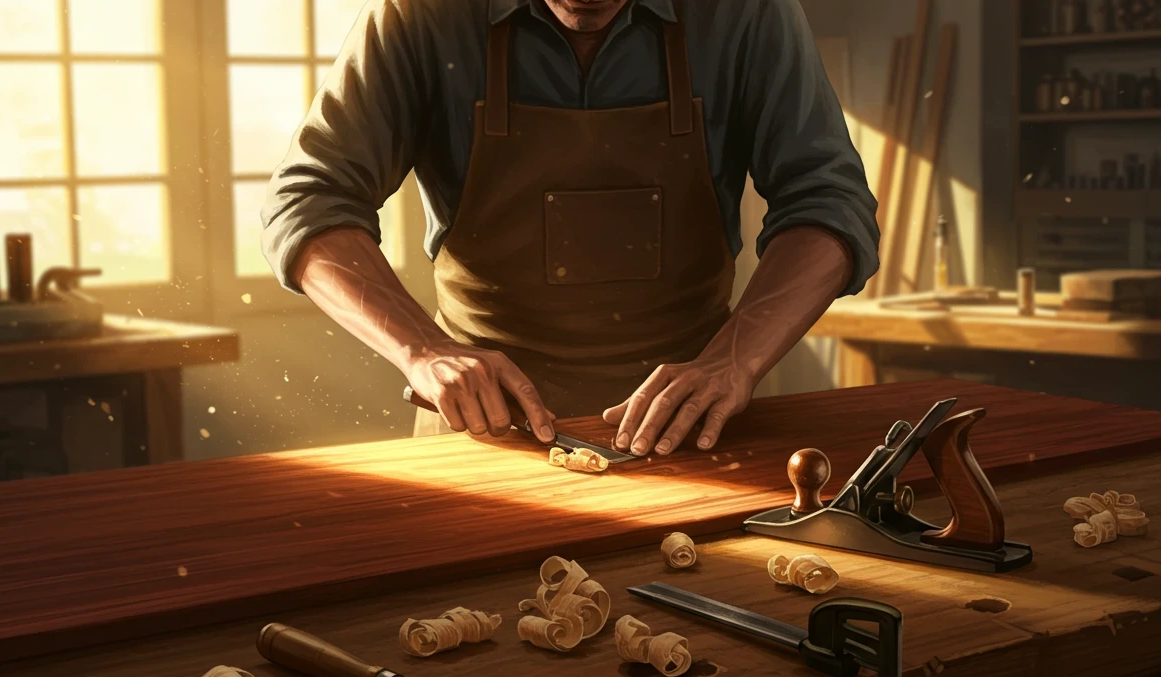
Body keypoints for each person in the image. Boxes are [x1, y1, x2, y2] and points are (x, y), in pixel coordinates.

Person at [262, 0, 878, 458]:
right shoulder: (419, 13)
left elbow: (827, 201)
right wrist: (423, 349)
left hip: (690, 430)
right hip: (484, 432)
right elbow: (309, 201)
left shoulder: (746, 13)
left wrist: (734, 361)